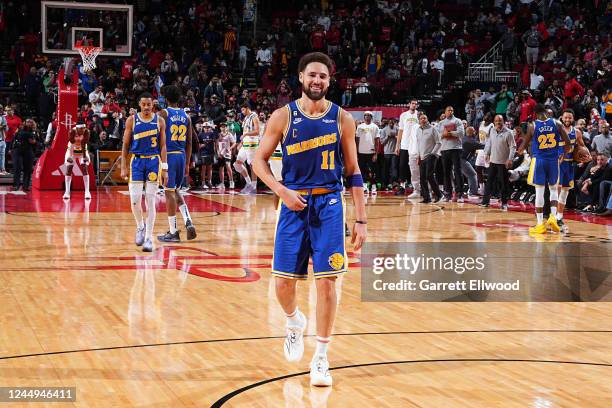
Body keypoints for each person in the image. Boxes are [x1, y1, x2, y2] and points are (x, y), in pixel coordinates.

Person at [252, 52, 367, 387]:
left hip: (330, 205)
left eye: (324, 77)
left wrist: (360, 219)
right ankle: (293, 321)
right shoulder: (282, 116)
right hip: (293, 204)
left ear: (330, 81)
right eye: (312, 75)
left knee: (327, 282)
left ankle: (321, 357)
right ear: (301, 78)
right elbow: (259, 161)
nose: (318, 81)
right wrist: (281, 190)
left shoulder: (342, 118)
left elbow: (353, 170)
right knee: (283, 283)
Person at [121, 92, 168, 252]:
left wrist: (165, 169)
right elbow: (125, 145)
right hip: (137, 161)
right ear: (139, 105)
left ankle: (148, 238)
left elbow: (163, 146)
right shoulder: (132, 120)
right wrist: (123, 165)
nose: (147, 107)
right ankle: (140, 226)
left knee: (150, 200)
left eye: (149, 104)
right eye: (144, 104)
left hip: (154, 161)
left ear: (153, 105)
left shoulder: (159, 121)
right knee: (134, 200)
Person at [518, 104, 570, 235]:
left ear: (535, 114)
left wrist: (519, 151)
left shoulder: (533, 126)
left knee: (539, 191)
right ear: (546, 112)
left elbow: (523, 146)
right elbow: (568, 142)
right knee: (553, 189)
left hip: (539, 161)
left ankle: (540, 224)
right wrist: (563, 154)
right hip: (553, 161)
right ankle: (553, 217)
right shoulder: (556, 123)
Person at [156, 85, 197, 242]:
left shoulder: (163, 114)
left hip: (169, 156)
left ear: (166, 98)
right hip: (181, 156)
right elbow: (190, 143)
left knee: (168, 192)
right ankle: (188, 221)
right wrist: (187, 163)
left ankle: (173, 232)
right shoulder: (186, 116)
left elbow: (158, 138)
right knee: (175, 191)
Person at [556, 109, 585, 232]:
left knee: (564, 193)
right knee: (555, 193)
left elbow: (582, 146)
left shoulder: (577, 132)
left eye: (570, 118)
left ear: (573, 119)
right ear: (562, 118)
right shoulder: (556, 130)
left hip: (569, 165)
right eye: (565, 117)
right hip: (557, 165)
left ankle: (559, 218)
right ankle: (550, 216)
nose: (567, 120)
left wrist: (584, 156)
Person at [479, 115, 516, 211]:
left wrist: (510, 159)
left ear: (503, 121)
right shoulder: (492, 130)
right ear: (494, 122)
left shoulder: (509, 132)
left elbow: (513, 147)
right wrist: (487, 153)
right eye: (496, 121)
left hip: (503, 162)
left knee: (503, 183)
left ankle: (504, 203)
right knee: (489, 182)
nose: (498, 123)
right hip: (493, 161)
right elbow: (489, 143)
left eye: (500, 121)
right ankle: (485, 202)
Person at [438, 106, 465, 202]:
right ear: (445, 112)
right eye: (449, 110)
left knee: (458, 171)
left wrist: (449, 133)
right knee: (446, 173)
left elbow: (461, 133)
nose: (451, 111)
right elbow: (438, 136)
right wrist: (444, 134)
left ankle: (460, 194)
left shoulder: (457, 121)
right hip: (444, 149)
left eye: (452, 110)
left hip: (455, 149)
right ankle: (448, 194)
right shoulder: (441, 123)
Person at [416, 112, 442, 203]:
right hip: (422, 157)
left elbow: (439, 142)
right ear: (419, 121)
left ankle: (439, 195)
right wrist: (419, 156)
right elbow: (419, 144)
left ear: (427, 120)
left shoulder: (433, 129)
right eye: (421, 118)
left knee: (429, 176)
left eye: (425, 118)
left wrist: (433, 153)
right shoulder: (418, 130)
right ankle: (426, 198)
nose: (423, 120)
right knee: (422, 178)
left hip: (431, 156)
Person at [396, 99, 420, 198]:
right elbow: (400, 130)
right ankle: (402, 187)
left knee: (415, 167)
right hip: (405, 144)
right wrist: (397, 145)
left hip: (415, 145)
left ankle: (417, 188)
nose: (414, 105)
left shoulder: (419, 115)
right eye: (412, 103)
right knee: (402, 166)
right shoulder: (404, 115)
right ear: (409, 104)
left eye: (416, 104)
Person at [234, 102, 260, 194]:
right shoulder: (245, 118)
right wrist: (241, 142)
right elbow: (245, 132)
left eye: (243, 109)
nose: (242, 112)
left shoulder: (254, 117)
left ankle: (254, 186)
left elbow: (257, 131)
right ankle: (249, 183)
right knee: (237, 164)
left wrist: (246, 134)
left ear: (248, 108)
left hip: (252, 143)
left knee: (252, 164)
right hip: (245, 143)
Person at [63, 123, 92, 200]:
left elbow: (83, 144)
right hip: (72, 150)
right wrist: (70, 156)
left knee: (84, 167)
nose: (83, 130)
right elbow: (71, 146)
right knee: (69, 168)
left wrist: (85, 157)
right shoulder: (72, 132)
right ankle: (67, 192)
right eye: (81, 129)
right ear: (77, 128)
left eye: (84, 128)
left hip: (82, 151)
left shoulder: (87, 132)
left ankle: (87, 192)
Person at [356, 111, 380, 194]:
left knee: (372, 171)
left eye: (368, 115)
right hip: (361, 152)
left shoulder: (375, 127)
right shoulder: (359, 127)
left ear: (371, 117)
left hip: (371, 152)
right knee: (362, 170)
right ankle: (365, 186)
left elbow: (377, 141)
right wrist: (356, 153)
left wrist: (376, 154)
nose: (366, 117)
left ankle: (373, 187)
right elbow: (357, 140)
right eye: (365, 115)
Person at [12, 119, 37, 191]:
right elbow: (14, 138)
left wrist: (34, 142)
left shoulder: (35, 132)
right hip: (18, 150)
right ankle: (16, 185)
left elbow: (37, 141)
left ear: (33, 123)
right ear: (25, 123)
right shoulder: (20, 130)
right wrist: (11, 148)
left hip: (29, 150)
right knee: (17, 168)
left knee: (28, 169)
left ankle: (25, 186)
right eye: (27, 121)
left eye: (30, 122)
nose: (28, 123)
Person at [215, 122, 236, 190]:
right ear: (220, 128)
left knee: (228, 166)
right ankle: (222, 183)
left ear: (226, 127)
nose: (223, 128)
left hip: (227, 153)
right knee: (221, 168)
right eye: (222, 127)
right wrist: (218, 152)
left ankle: (231, 182)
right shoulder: (218, 135)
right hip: (220, 153)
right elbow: (216, 144)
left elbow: (234, 143)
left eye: (224, 126)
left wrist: (230, 148)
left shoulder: (229, 134)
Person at [198, 122, 217, 189]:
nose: (206, 128)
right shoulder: (200, 135)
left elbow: (216, 139)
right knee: (203, 168)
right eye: (205, 127)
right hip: (203, 153)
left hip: (211, 152)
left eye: (208, 127)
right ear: (203, 128)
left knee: (210, 168)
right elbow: (198, 144)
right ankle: (203, 183)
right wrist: (201, 146)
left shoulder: (212, 134)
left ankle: (209, 182)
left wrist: (214, 129)